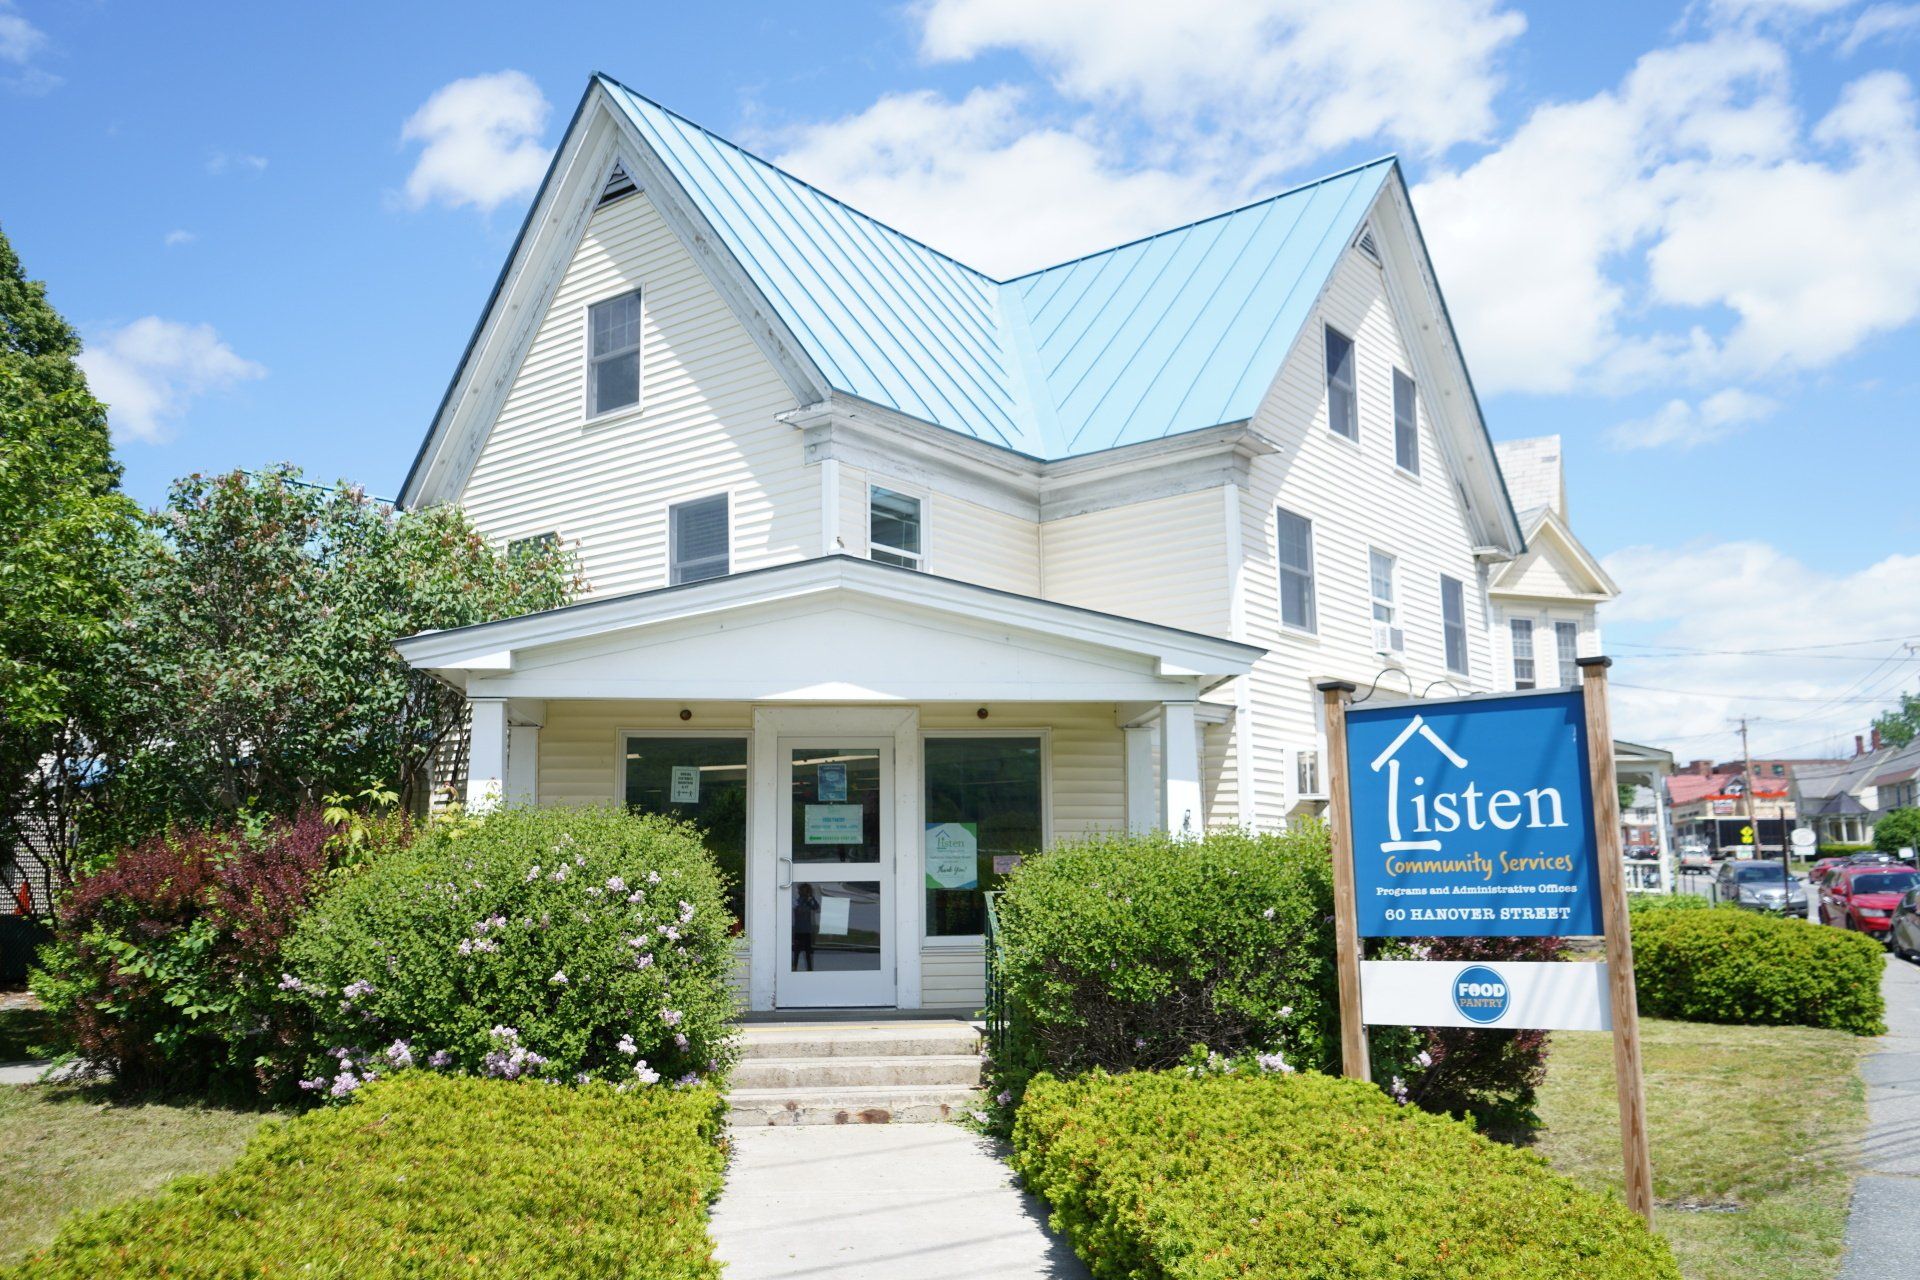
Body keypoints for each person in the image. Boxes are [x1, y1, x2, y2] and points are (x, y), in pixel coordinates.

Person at [792, 884, 819, 971]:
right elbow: (794, 907)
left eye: (806, 890)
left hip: (807, 931)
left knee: (808, 953)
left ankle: (809, 970)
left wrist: (810, 898)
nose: (803, 892)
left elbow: (817, 907)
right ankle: (794, 968)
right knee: (796, 952)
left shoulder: (809, 901)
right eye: (802, 890)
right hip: (798, 930)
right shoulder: (797, 901)